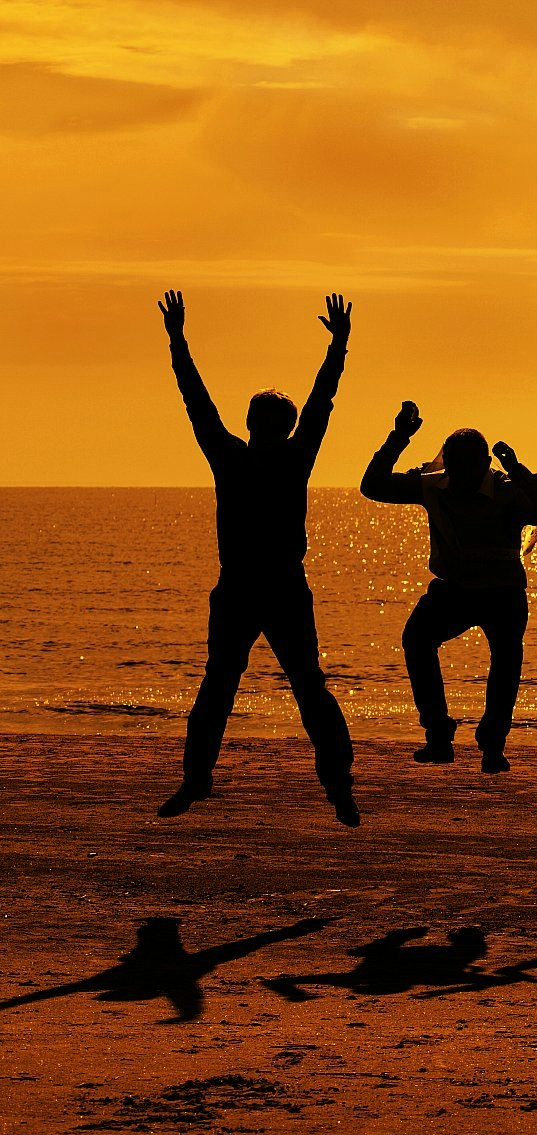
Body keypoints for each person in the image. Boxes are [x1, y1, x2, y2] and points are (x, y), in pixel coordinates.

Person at [154, 290, 359, 826]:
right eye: (262, 422)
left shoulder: (268, 457)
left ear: (264, 426)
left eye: (268, 423)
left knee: (275, 684)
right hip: (251, 588)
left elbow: (316, 405)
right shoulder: (257, 457)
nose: (264, 429)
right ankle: (202, 779)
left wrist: (338, 349)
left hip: (271, 587)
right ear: (256, 425)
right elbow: (199, 402)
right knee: (243, 684)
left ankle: (335, 784)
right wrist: (178, 344)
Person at [359, 406, 537, 772]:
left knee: (506, 663)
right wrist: (399, 437)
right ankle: (438, 735)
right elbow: (373, 486)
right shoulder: (432, 485)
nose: (462, 473)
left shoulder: (508, 491)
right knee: (416, 639)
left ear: (485, 463)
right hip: (453, 590)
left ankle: (492, 746)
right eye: (455, 464)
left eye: (470, 465)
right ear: (447, 462)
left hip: (502, 594)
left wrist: (519, 470)